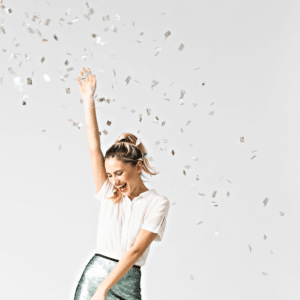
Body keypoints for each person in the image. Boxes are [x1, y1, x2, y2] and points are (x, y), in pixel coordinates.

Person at [74, 67, 170, 300]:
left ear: (137, 167)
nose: (114, 181)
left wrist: (104, 289)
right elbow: (94, 147)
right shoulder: (108, 193)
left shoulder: (157, 203)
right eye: (109, 175)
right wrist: (89, 100)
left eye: (119, 173)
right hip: (96, 275)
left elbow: (136, 250)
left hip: (126, 279)